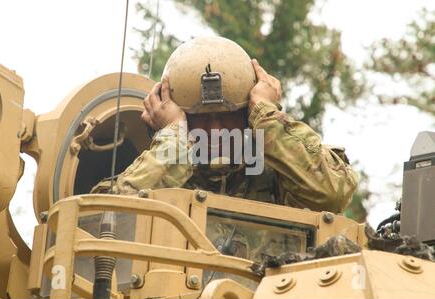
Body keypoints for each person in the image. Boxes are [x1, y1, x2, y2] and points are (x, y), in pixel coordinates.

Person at [92, 36, 358, 262]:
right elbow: (107, 214)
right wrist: (173, 139)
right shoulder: (152, 177)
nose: (216, 131)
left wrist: (266, 116)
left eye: (227, 115)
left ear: (247, 115)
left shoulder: (279, 178)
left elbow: (333, 191)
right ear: (176, 118)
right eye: (201, 118)